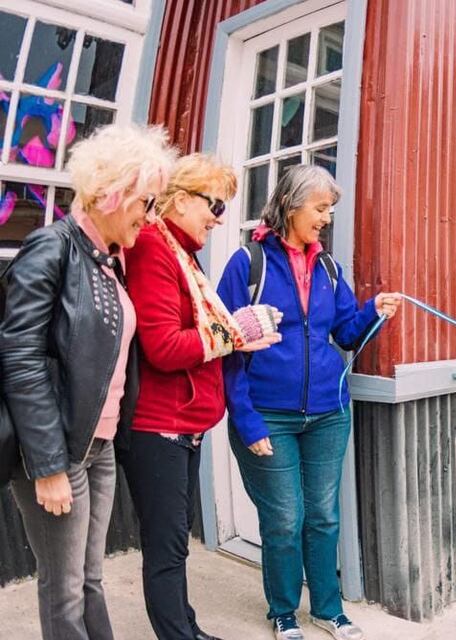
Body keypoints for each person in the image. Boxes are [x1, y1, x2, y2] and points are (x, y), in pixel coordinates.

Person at [0, 123, 176, 640]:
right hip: (61, 449)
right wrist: (48, 465)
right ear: (113, 193)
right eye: (146, 200)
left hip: (99, 447)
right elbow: (21, 357)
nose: (149, 214)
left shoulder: (108, 261)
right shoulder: (51, 248)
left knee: (91, 579)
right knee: (66, 588)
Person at [217, 165, 401, 640]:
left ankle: (328, 610)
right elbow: (227, 347)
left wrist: (372, 311)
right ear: (290, 205)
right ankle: (282, 611)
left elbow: (342, 333)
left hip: (328, 413)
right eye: (320, 208)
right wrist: (246, 421)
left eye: (330, 210)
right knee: (283, 519)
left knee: (323, 516)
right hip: (267, 415)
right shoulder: (247, 263)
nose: (326, 218)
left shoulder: (328, 267)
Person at [120, 154, 280, 640]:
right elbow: (164, 347)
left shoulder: (180, 252)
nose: (219, 217)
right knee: (166, 550)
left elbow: (200, 334)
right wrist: (235, 333)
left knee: (175, 546)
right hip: (158, 426)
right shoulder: (153, 247)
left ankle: (187, 628)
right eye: (215, 205)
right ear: (182, 198)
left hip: (181, 427)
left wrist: (236, 333)